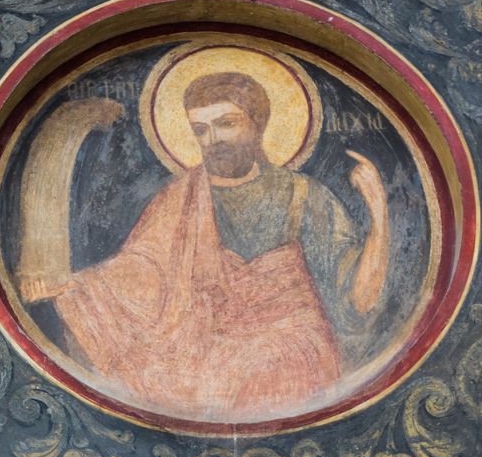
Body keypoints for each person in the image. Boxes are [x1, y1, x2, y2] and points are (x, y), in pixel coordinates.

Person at [24, 69, 391, 420]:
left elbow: (359, 299)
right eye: (201, 129)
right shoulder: (180, 196)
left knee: (257, 361)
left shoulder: (303, 195)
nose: (214, 140)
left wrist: (379, 212)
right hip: (206, 348)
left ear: (257, 123)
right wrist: (75, 286)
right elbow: (142, 270)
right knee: (182, 370)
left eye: (227, 123)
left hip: (291, 349)